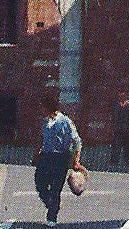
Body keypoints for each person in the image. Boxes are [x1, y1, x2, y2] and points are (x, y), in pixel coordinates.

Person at [34, 93, 81, 226]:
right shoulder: (45, 122)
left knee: (56, 187)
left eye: (42, 107)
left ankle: (52, 217)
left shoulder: (65, 121)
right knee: (39, 182)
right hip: (45, 157)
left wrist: (76, 160)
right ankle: (51, 204)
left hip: (60, 157)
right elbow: (41, 138)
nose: (41, 109)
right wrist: (36, 154)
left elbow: (77, 141)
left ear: (48, 107)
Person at [110, 90, 129, 171]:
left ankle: (128, 161)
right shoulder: (115, 105)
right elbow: (113, 117)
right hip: (118, 129)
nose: (121, 96)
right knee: (116, 146)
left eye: (123, 95)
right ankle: (114, 162)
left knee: (128, 146)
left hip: (128, 130)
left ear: (126, 96)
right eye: (120, 95)